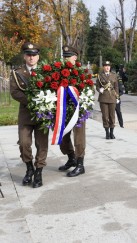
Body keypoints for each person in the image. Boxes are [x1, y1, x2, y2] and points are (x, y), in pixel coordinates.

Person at [10, 42, 48, 188]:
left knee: (42, 144)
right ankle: (29, 168)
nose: (31, 58)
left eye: (34, 55)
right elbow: (14, 92)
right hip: (26, 114)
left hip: (43, 114)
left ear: (38, 56)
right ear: (24, 56)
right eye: (28, 55)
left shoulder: (46, 72)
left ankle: (38, 172)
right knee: (24, 143)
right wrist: (33, 101)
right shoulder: (17, 73)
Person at [58, 45, 87, 177]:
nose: (66, 59)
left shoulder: (82, 73)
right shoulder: (58, 72)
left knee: (79, 137)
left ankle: (80, 164)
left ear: (75, 57)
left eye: (68, 56)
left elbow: (88, 91)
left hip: (78, 110)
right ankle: (71, 158)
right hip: (63, 110)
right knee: (63, 136)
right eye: (64, 56)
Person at [96, 61, 119, 139]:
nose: (107, 67)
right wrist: (100, 90)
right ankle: (107, 133)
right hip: (103, 98)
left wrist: (117, 97)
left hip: (112, 97)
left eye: (108, 66)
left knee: (112, 116)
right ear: (103, 67)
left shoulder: (114, 75)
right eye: (106, 66)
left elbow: (116, 87)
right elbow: (97, 87)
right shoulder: (100, 76)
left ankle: (112, 133)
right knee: (105, 116)